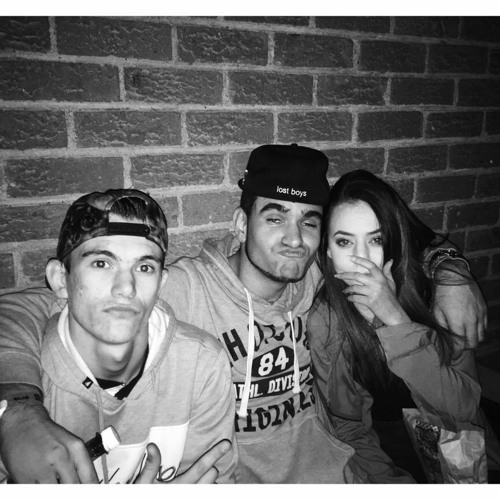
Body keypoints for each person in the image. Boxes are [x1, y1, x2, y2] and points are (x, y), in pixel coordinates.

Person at [0, 144, 487, 483]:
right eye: (275, 217)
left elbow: (397, 239)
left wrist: (451, 269)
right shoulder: (185, 287)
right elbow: (34, 306)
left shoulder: (322, 277)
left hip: (340, 472)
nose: (293, 239)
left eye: (309, 222)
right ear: (240, 223)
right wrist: (18, 410)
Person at [0, 189, 237, 484]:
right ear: (61, 279)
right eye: (102, 263)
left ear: (160, 283)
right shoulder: (18, 391)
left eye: (144, 267)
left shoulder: (201, 364)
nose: (126, 287)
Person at [307, 169, 490, 483]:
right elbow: (349, 428)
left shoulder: (437, 297)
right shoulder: (325, 320)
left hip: (455, 459)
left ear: (392, 242)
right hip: (381, 462)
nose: (361, 258)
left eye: (375, 240)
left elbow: (463, 410)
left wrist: (395, 320)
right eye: (344, 241)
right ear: (327, 250)